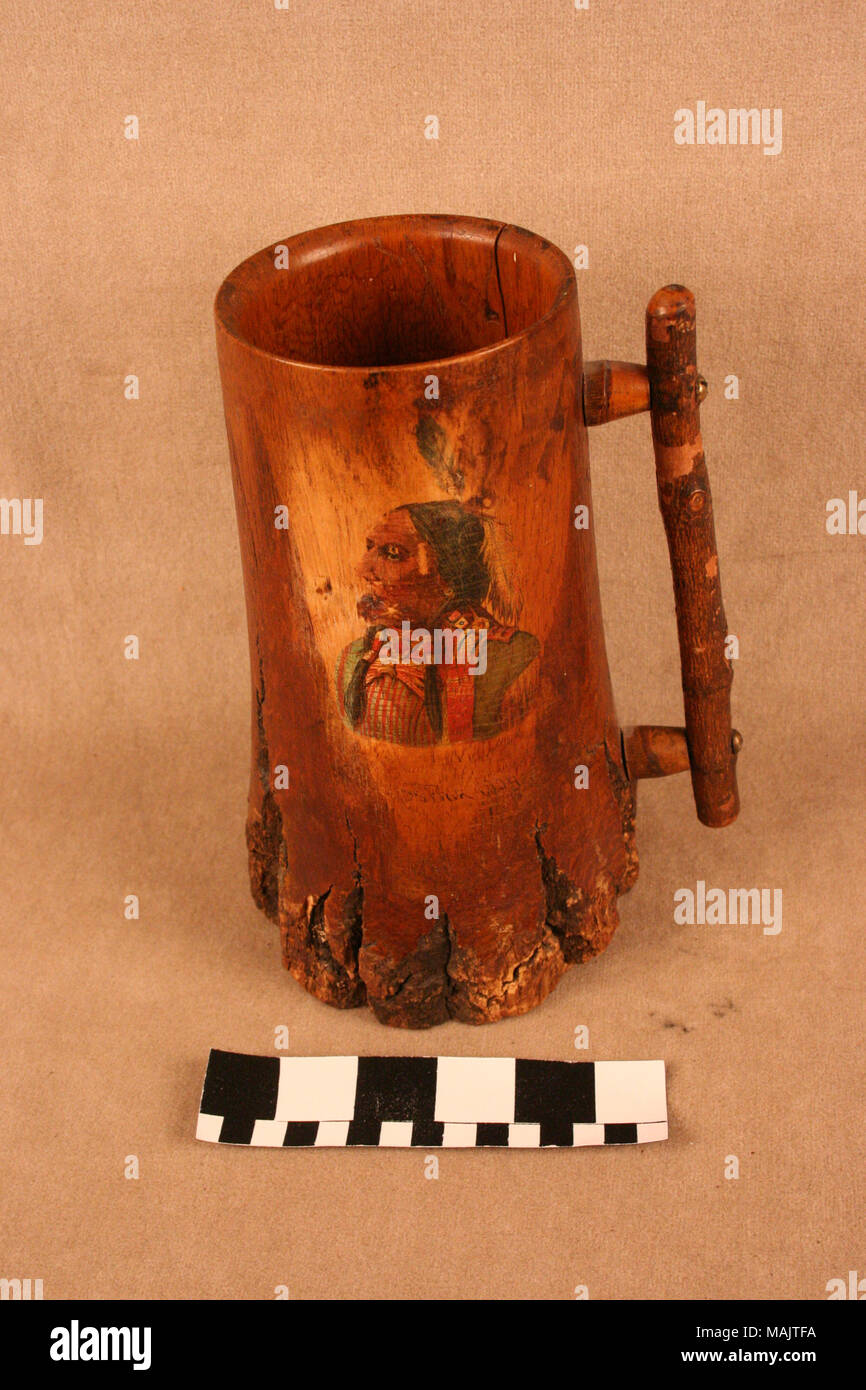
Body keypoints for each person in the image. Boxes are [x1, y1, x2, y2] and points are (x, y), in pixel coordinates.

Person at [336, 501, 539, 745]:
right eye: (369, 548)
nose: (363, 569)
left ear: (446, 574)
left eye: (392, 553)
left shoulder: (511, 656)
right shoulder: (354, 659)